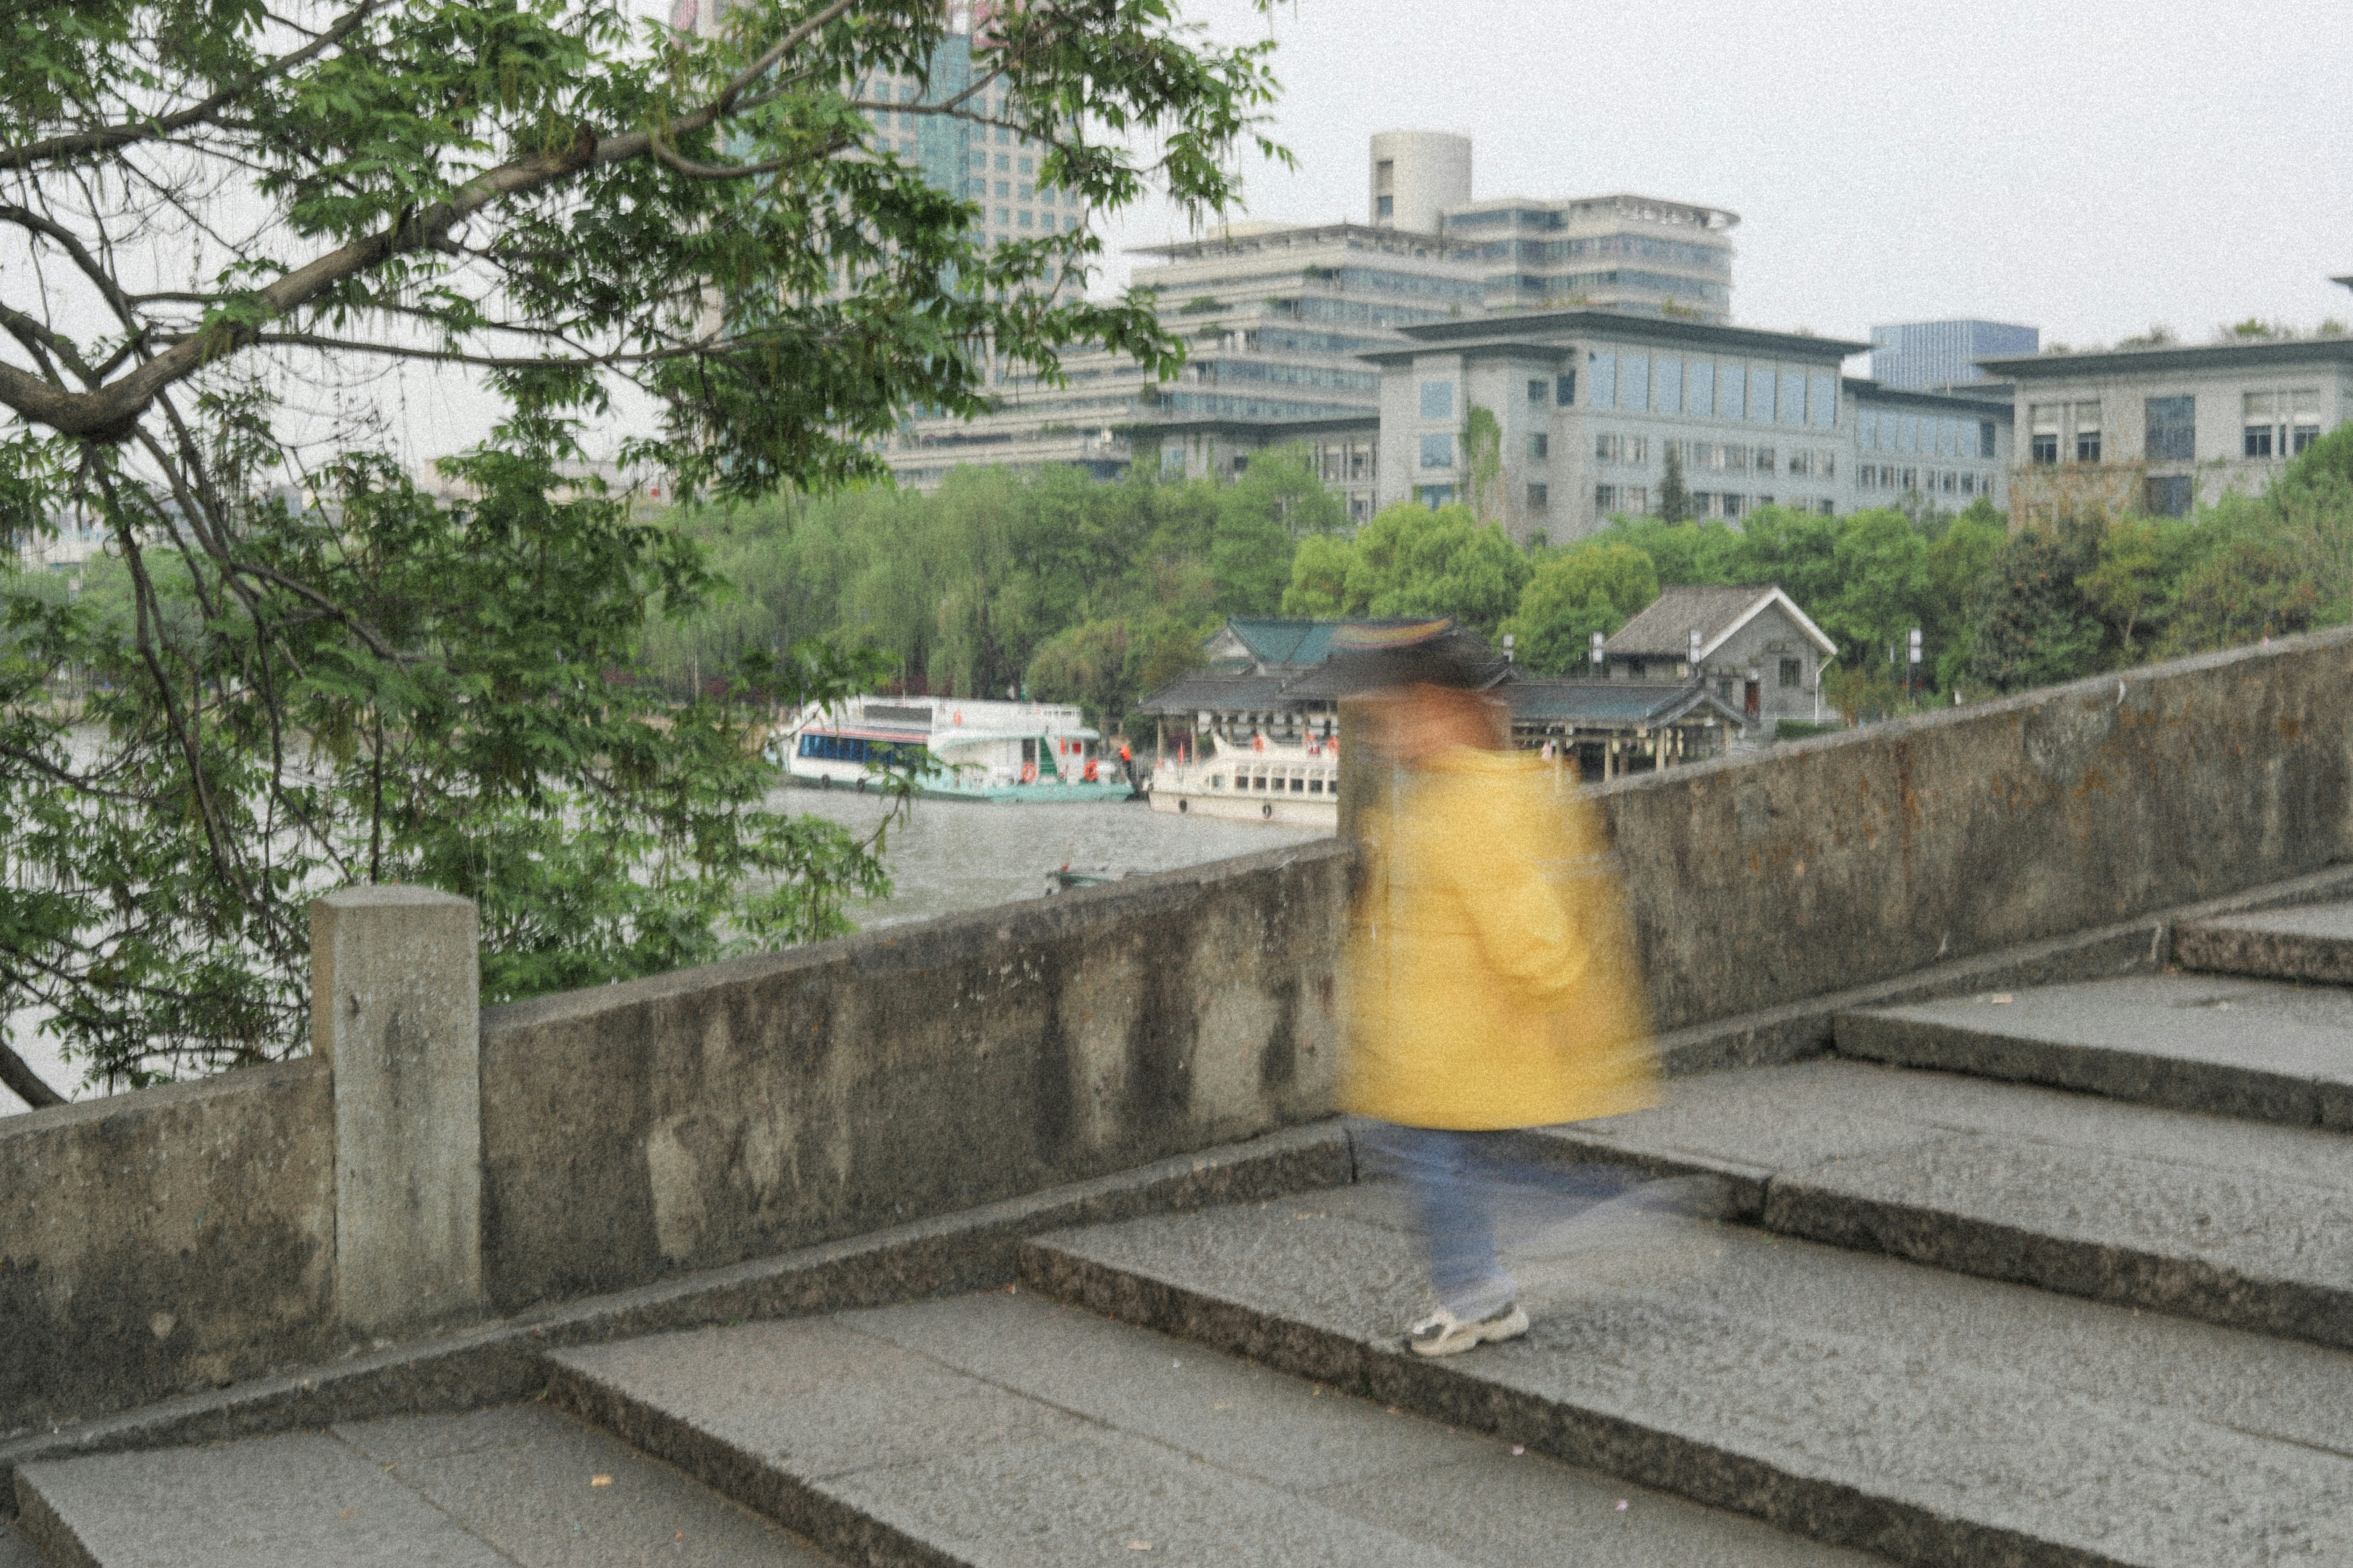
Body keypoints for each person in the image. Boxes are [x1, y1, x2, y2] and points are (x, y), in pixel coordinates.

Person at [1331, 622, 1656, 1356]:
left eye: (1398, 716)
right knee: (1456, 1163)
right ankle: (1528, 1259)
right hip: (1441, 1045)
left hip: (1459, 1046)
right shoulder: (1439, 800)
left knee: (1439, 1164)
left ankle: (1493, 1285)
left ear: (1445, 711)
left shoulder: (1466, 808)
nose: (1387, 735)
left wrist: (1566, 997)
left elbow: (1526, 926)